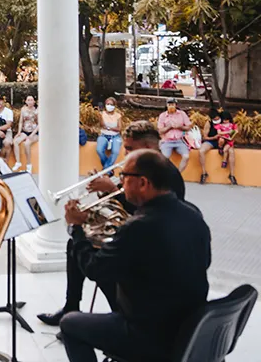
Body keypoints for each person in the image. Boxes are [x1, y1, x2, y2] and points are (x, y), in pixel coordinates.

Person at [59, 149, 211, 362]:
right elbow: (204, 262)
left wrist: (76, 229)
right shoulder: (193, 215)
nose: (121, 182)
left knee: (70, 324)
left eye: (124, 177)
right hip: (191, 327)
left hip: (150, 335)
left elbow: (94, 269)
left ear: (143, 183)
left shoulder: (138, 227)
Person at [37, 120, 186, 328]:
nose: (125, 155)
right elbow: (126, 204)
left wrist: (110, 191)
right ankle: (71, 305)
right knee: (75, 245)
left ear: (149, 147)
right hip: (140, 236)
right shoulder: (144, 169)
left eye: (130, 149)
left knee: (102, 263)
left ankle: (120, 316)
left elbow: (147, 212)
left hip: (150, 246)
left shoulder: (167, 176)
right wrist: (102, 193)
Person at [157, 97, 192, 171]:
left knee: (186, 157)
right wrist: (169, 127)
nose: (171, 106)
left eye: (172, 104)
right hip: (167, 141)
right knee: (164, 159)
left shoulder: (182, 114)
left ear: (176, 105)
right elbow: (160, 131)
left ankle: (178, 174)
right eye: (169, 104)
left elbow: (188, 127)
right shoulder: (163, 115)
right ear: (166, 105)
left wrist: (179, 127)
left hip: (180, 140)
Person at [95, 97, 123, 169]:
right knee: (99, 150)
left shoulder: (118, 115)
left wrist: (109, 128)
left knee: (115, 152)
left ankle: (105, 169)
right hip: (103, 135)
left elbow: (119, 128)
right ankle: (108, 169)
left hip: (115, 136)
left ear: (114, 106)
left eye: (111, 104)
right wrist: (100, 115)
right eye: (108, 104)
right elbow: (102, 125)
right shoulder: (102, 114)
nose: (109, 106)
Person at [12, 95, 38, 171]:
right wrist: (19, 132)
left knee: (27, 143)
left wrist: (32, 134)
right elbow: (20, 122)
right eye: (28, 100)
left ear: (34, 101)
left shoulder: (37, 110)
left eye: (31, 100)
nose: (30, 101)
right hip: (25, 131)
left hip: (34, 132)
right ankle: (18, 162)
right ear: (26, 101)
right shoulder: (23, 110)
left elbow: (40, 124)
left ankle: (29, 165)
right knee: (15, 141)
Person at [198, 108, 222, 184]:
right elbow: (205, 137)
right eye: (214, 119)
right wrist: (214, 137)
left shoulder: (224, 121)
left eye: (217, 118)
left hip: (222, 141)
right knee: (201, 151)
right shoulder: (208, 123)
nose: (216, 119)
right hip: (211, 141)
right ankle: (204, 173)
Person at [216, 110, 238, 185]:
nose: (225, 121)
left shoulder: (232, 125)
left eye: (227, 119)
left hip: (229, 141)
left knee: (231, 152)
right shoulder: (220, 125)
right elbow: (219, 133)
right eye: (224, 119)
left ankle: (232, 175)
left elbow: (236, 132)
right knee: (223, 143)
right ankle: (221, 149)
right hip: (222, 140)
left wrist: (233, 134)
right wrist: (227, 132)